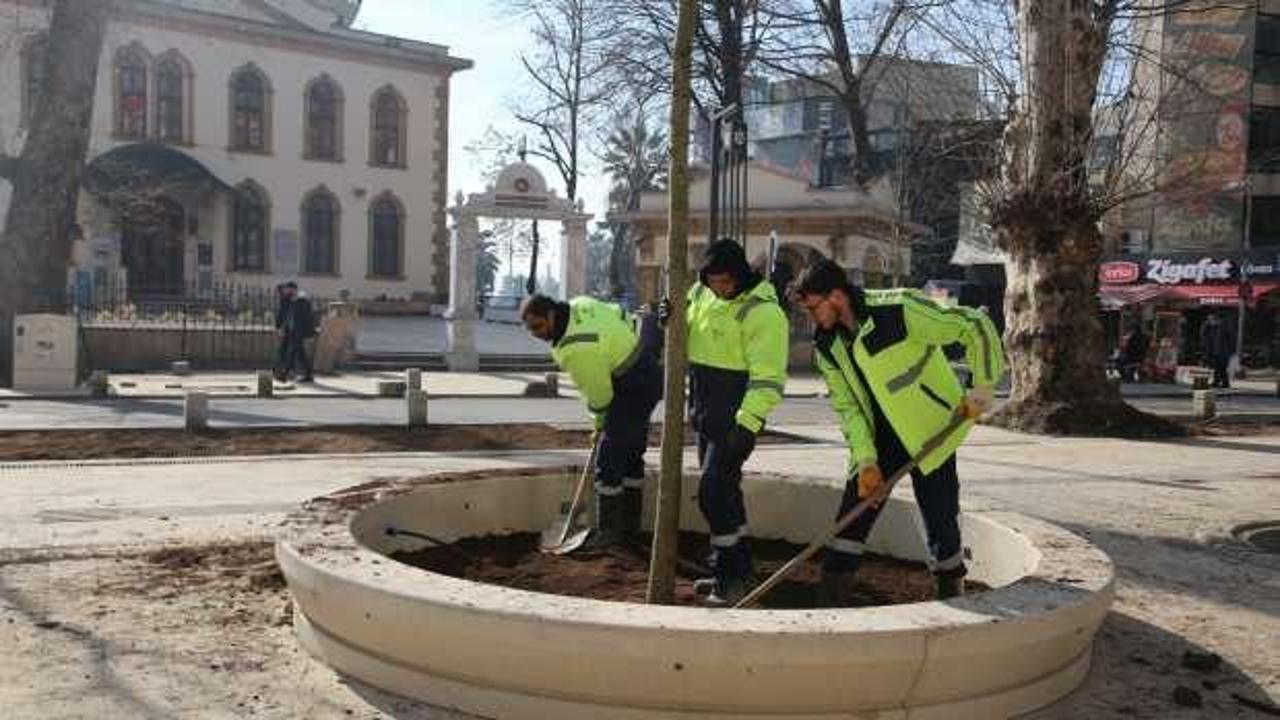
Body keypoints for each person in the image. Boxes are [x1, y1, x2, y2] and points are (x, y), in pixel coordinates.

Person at [790, 258, 1004, 603]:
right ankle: (830, 597)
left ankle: (951, 589)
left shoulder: (899, 309)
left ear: (837, 297)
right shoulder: (828, 346)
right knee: (851, 519)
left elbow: (974, 325)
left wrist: (981, 387)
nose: (811, 318)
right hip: (879, 440)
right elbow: (849, 409)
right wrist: (866, 460)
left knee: (940, 518)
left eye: (813, 308)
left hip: (929, 431)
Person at [660, 239, 789, 605]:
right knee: (724, 492)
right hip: (705, 413)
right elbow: (683, 328)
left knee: (713, 492)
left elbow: (767, 379)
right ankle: (734, 568)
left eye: (727, 282)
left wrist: (747, 425)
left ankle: (731, 577)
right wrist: (668, 317)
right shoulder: (700, 293)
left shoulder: (763, 312)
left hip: (735, 419)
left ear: (742, 276)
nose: (720, 288)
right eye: (714, 280)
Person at [521, 293, 663, 550]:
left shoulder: (575, 347)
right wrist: (619, 344)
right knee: (630, 452)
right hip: (645, 370)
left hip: (631, 385)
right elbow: (620, 313)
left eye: (538, 327)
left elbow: (600, 395)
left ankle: (609, 532)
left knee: (608, 458)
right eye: (530, 329)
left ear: (552, 315)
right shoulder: (580, 304)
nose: (536, 334)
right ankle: (629, 528)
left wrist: (599, 424)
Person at [275, 281, 316, 383]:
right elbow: (282, 313)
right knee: (297, 353)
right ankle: (308, 374)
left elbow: (309, 318)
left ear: (294, 289)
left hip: (299, 331)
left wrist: (310, 333)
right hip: (289, 330)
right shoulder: (286, 299)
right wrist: (279, 327)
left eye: (288, 289)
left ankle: (284, 375)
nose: (286, 291)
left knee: (292, 352)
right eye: (285, 289)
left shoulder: (303, 301)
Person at [1200, 313, 1233, 388]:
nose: (1209, 321)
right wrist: (1205, 325)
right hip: (1214, 351)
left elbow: (1230, 339)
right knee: (1217, 368)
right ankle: (1218, 382)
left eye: (1211, 319)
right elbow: (1203, 335)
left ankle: (1224, 383)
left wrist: (1230, 351)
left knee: (1221, 368)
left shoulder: (1223, 326)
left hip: (1222, 351)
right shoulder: (1210, 328)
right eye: (1208, 319)